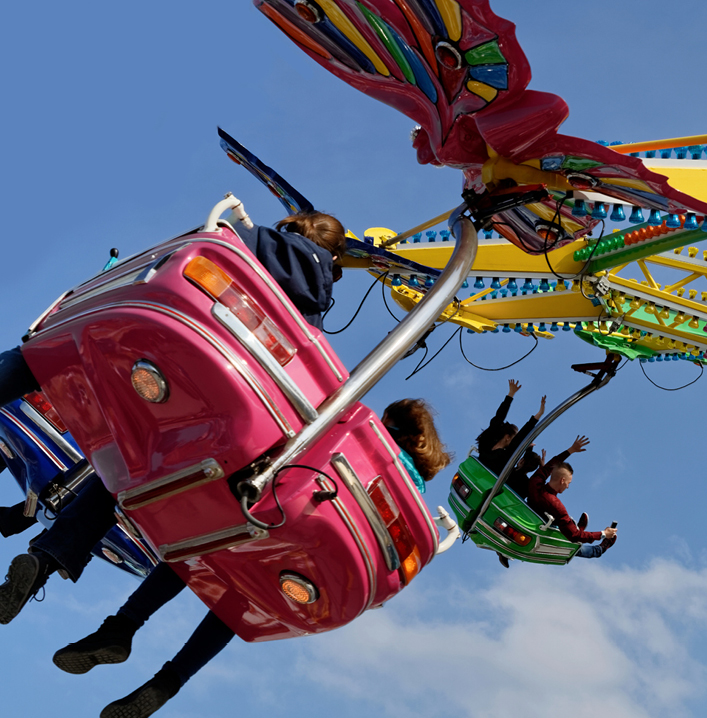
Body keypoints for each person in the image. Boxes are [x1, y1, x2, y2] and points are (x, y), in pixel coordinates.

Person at [0, 211, 346, 625]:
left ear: (293, 225)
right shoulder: (312, 323)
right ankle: (45, 559)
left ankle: (29, 510)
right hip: (207, 401)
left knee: (43, 355)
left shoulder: (246, 241)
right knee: (131, 475)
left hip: (164, 345)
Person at [52, 398, 451, 718]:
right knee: (242, 601)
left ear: (398, 429)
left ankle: (122, 627)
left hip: (299, 514)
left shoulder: (371, 447)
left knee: (193, 549)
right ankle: (167, 683)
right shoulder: (411, 496)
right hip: (316, 561)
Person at [523, 435, 617, 565]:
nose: (568, 487)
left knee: (569, 525)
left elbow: (552, 464)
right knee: (573, 543)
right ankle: (599, 549)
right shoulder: (556, 505)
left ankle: (576, 526)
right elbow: (574, 536)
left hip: (529, 518)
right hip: (545, 533)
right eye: (568, 483)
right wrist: (603, 533)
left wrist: (571, 450)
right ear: (562, 481)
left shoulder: (535, 481)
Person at [476, 379, 545, 498]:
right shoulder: (488, 443)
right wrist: (510, 395)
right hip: (476, 477)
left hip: (485, 485)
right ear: (507, 437)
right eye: (513, 437)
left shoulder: (501, 454)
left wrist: (537, 416)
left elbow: (520, 437)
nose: (515, 441)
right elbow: (498, 418)